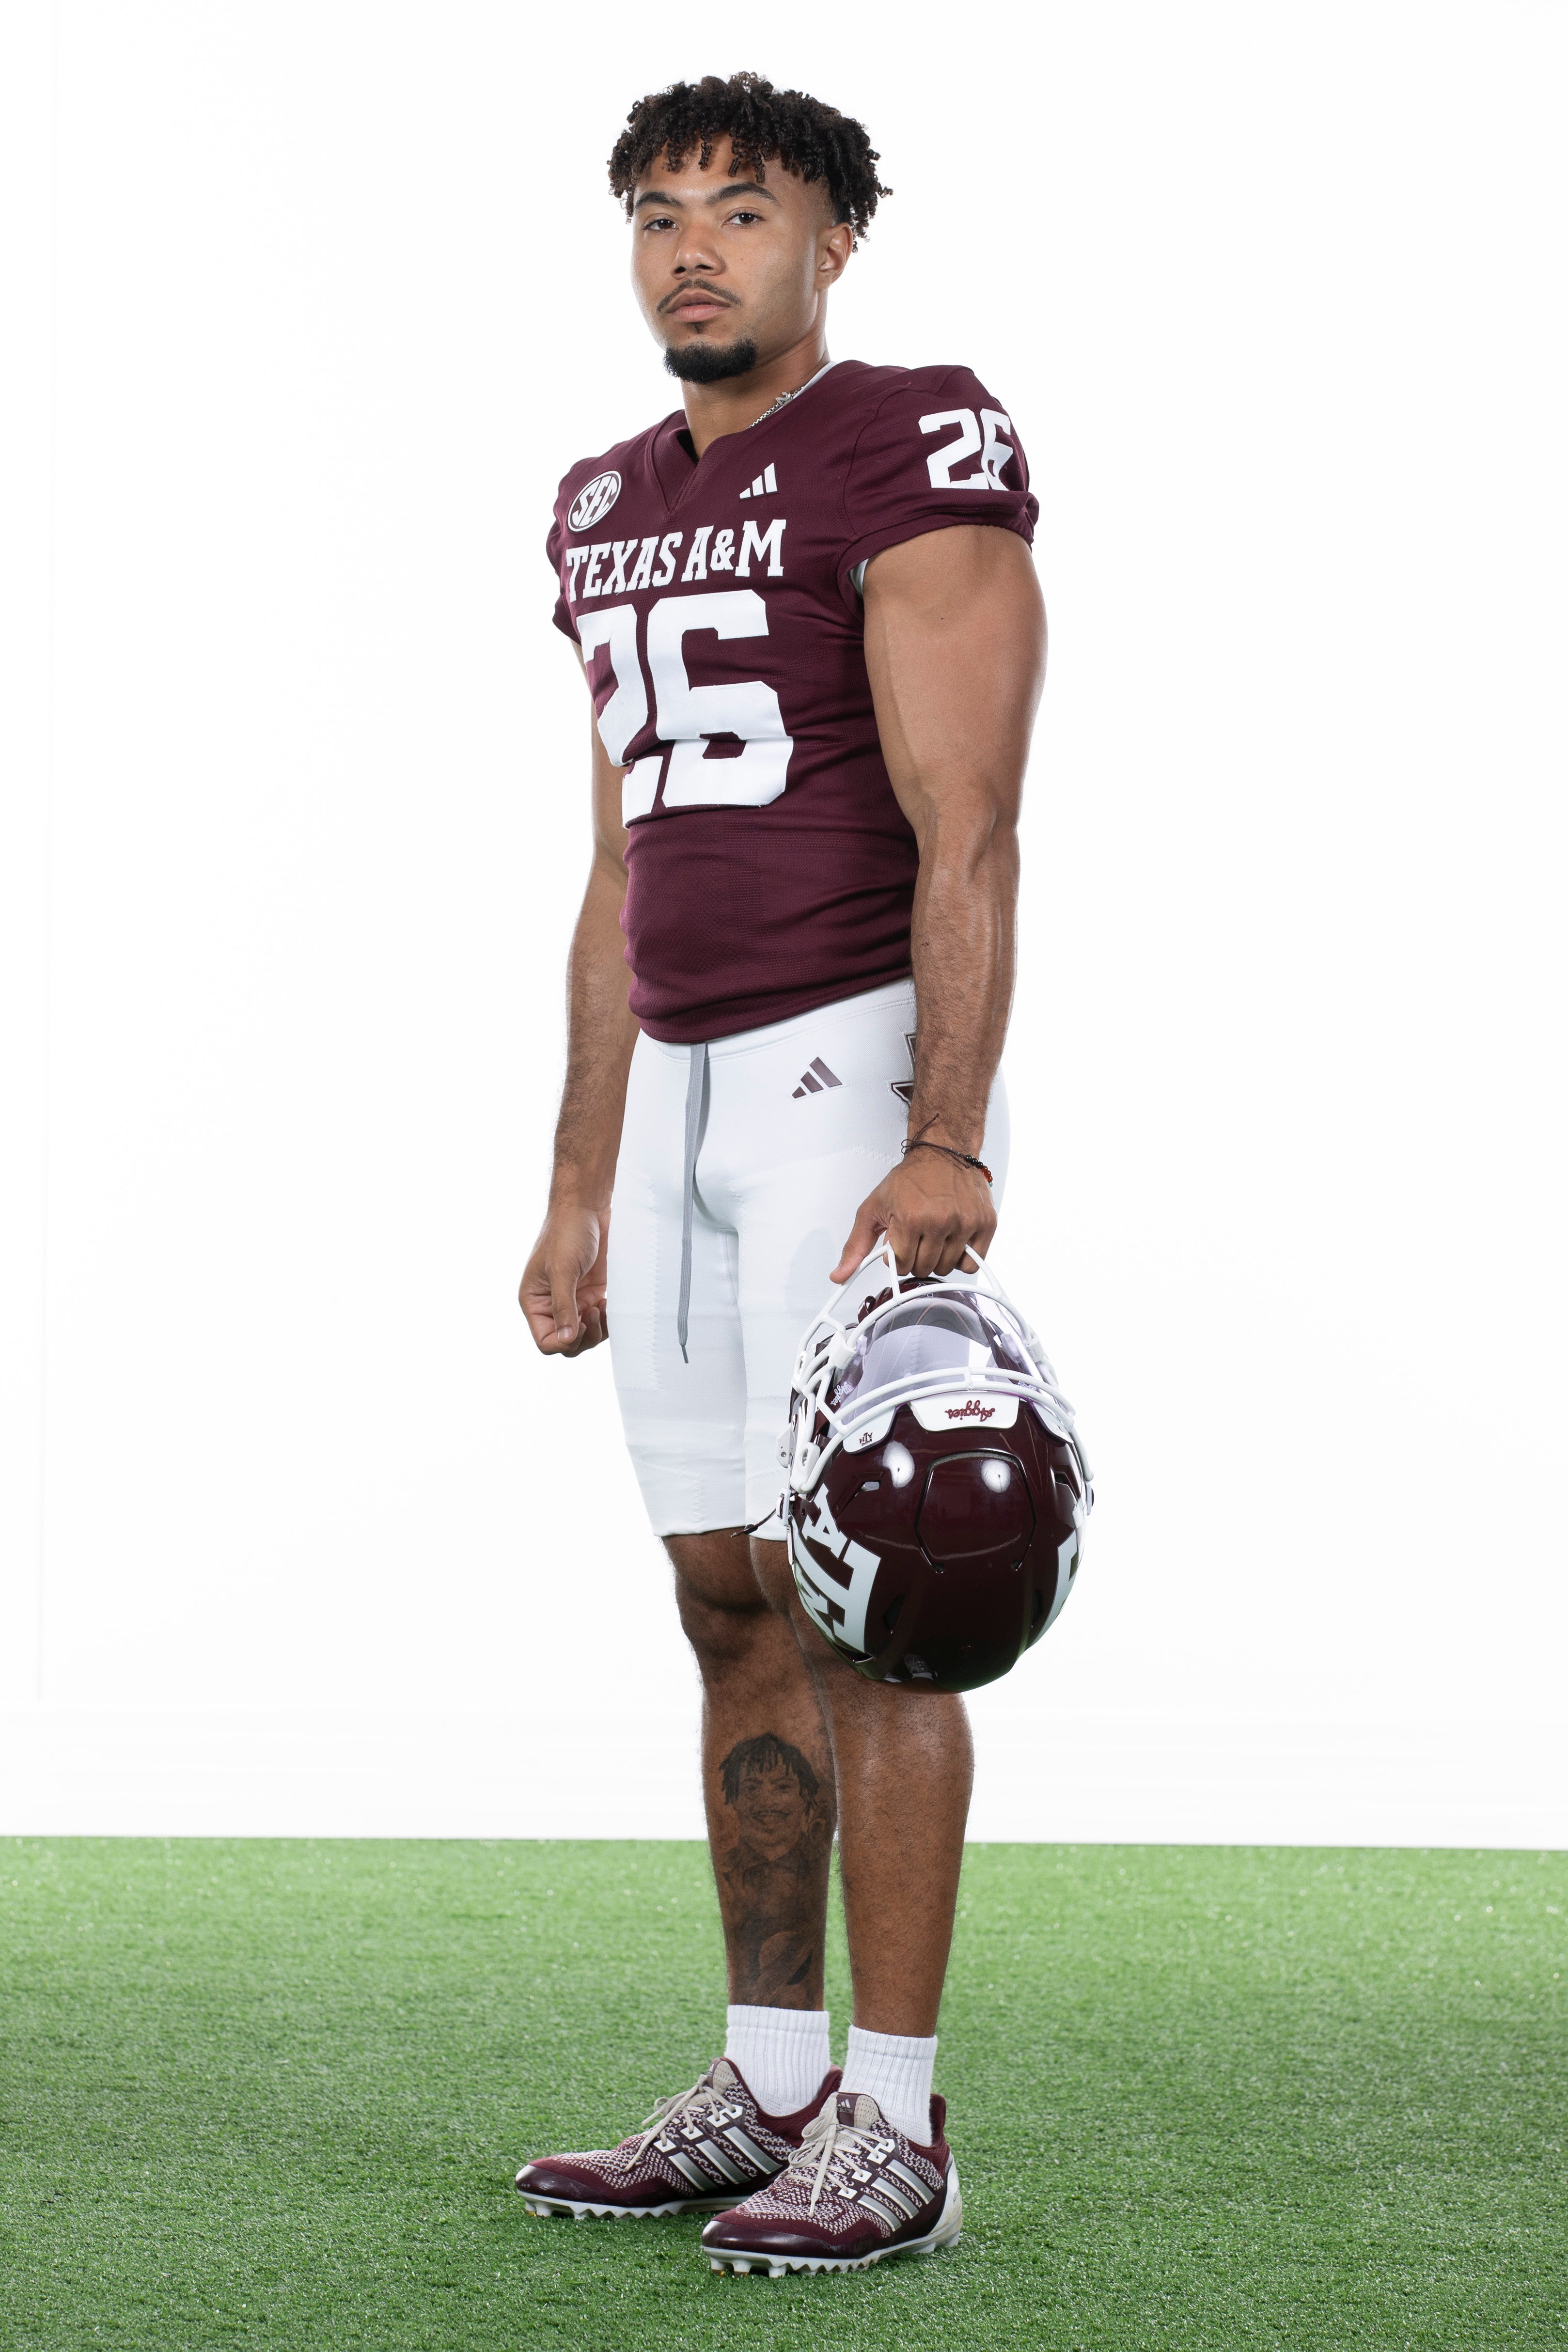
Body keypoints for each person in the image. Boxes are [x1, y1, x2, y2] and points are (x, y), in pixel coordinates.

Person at [513, 71, 1046, 2276]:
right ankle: (767, 2079)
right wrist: (576, 1176)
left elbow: (967, 820)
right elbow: (619, 864)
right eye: (658, 212)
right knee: (724, 1590)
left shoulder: (908, 438)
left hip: (845, 1066)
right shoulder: (602, 500)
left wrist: (944, 1130)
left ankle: (895, 2120)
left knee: (878, 1601)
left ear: (834, 240)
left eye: (741, 209)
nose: (693, 247)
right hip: (677, 1089)